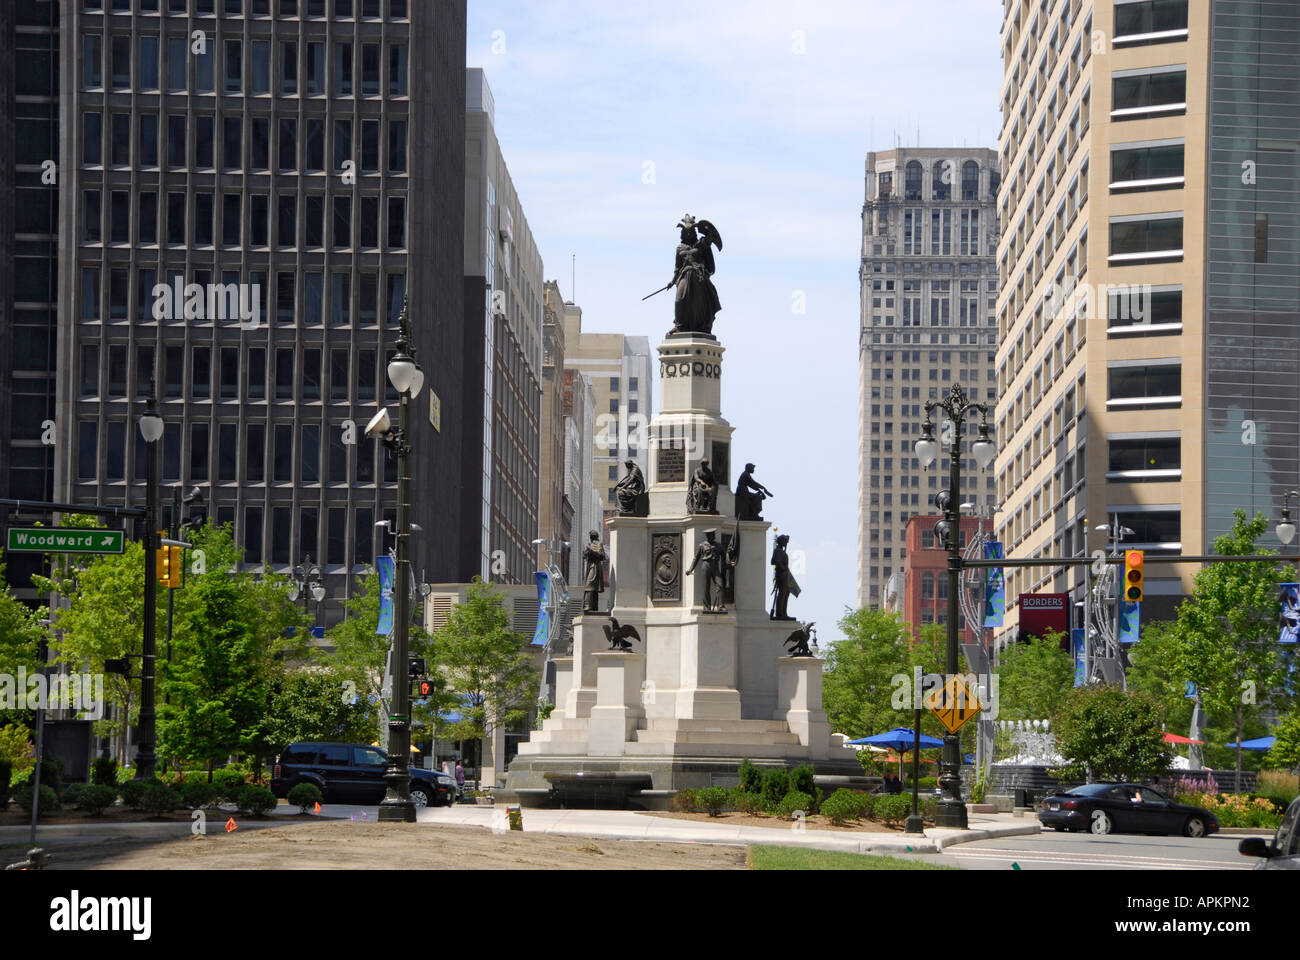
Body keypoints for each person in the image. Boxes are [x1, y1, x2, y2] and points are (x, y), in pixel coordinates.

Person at [770, 534, 801, 620]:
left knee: (786, 593)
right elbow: (774, 561)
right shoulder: (779, 551)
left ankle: (783, 612)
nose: (786, 543)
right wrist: (783, 568)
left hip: (784, 574)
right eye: (785, 541)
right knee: (782, 593)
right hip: (782, 574)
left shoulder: (780, 551)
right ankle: (780, 613)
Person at [582, 530, 605, 613]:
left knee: (589, 585)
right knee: (591, 587)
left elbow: (602, 556)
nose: (591, 538)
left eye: (592, 536)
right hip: (590, 566)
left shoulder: (598, 544)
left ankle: (588, 605)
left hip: (595, 567)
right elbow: (584, 556)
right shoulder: (590, 544)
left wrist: (592, 551)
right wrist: (586, 552)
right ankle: (593, 606)